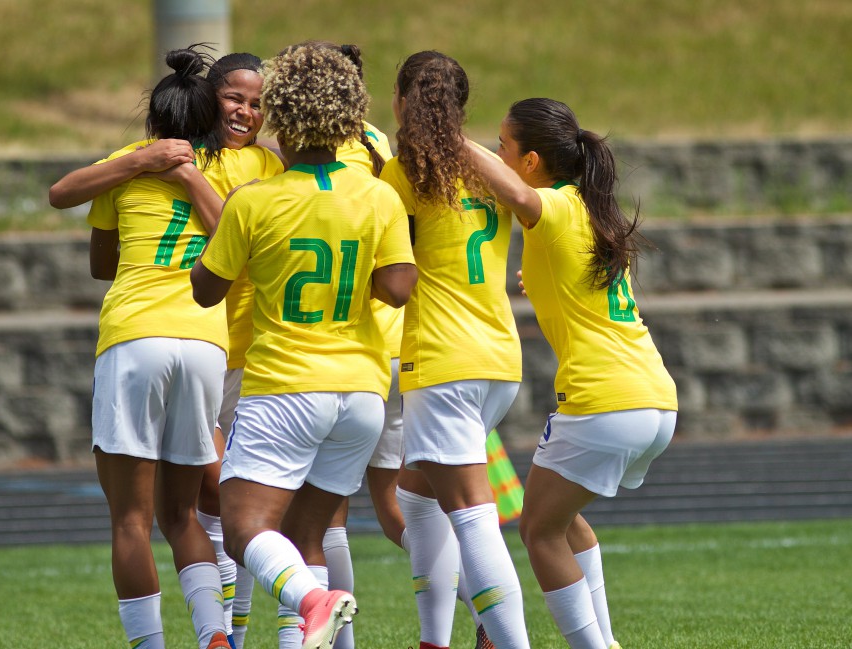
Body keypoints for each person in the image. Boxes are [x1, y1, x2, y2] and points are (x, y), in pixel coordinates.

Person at [51, 49, 282, 648]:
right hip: (208, 343)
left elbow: (75, 215)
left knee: (131, 518)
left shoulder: (127, 165)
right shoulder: (240, 166)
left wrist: (147, 163)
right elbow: (236, 236)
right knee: (184, 515)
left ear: (154, 123)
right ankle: (214, 634)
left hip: (135, 336)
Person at [191, 43, 417, 649]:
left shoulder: (255, 200)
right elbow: (398, 288)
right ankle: (314, 608)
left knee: (243, 530)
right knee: (307, 537)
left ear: (281, 118)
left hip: (286, 385)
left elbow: (207, 290)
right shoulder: (378, 195)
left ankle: (315, 599)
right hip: (363, 391)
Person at [464, 98, 679, 649]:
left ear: (532, 161)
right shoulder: (589, 207)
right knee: (564, 520)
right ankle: (605, 642)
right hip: (654, 400)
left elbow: (514, 195)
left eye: (503, 147)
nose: (495, 153)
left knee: (538, 532)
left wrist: (442, 135)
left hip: (605, 401)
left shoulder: (555, 204)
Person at [379, 51, 530, 649]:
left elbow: (391, 277)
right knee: (416, 499)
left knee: (472, 515)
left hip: (441, 361)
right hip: (498, 358)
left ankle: (509, 641)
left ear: (398, 102)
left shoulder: (403, 174)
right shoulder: (491, 167)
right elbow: (527, 202)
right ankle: (434, 640)